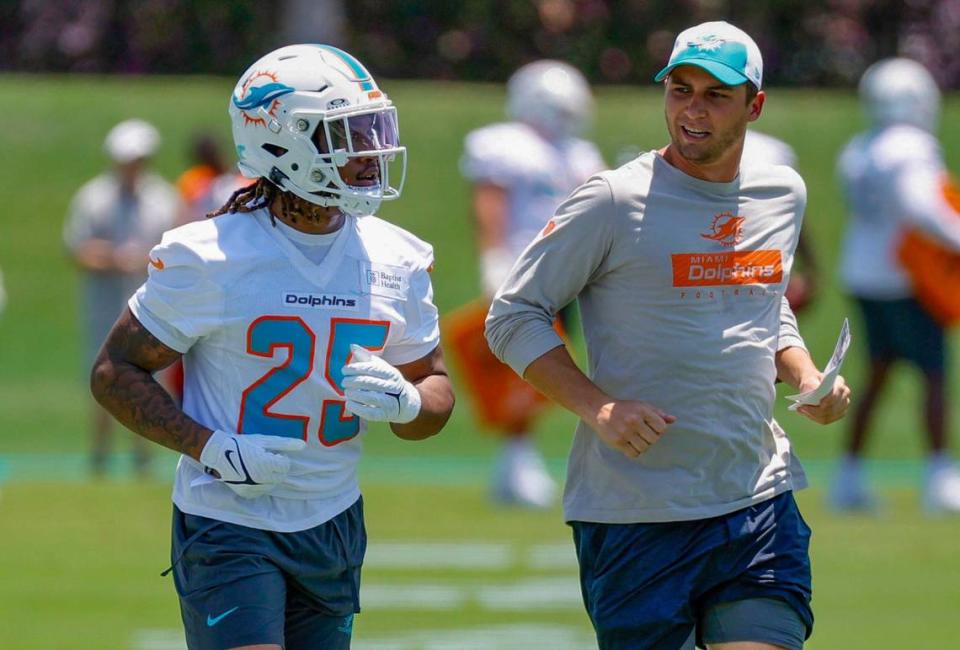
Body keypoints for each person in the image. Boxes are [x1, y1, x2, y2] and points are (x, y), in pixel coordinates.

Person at [486, 21, 850, 650]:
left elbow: (762, 304)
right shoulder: (610, 199)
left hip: (755, 498)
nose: (693, 110)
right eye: (681, 90)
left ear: (754, 106)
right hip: (633, 516)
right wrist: (599, 408)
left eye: (715, 95)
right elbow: (512, 316)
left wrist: (806, 374)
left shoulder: (782, 193)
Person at [90, 44, 455, 650]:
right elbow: (113, 371)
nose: (370, 152)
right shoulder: (210, 255)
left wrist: (411, 406)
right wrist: (208, 447)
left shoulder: (398, 258)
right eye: (347, 133)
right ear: (282, 141)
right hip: (229, 519)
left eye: (372, 128)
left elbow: (436, 394)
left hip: (333, 518)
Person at [452, 60, 606, 508]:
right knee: (527, 368)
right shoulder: (505, 145)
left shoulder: (580, 153)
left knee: (556, 369)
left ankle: (520, 463)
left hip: (574, 276)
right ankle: (516, 463)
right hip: (525, 270)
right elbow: (490, 201)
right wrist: (494, 256)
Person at [833, 57, 960, 514]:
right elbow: (920, 208)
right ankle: (941, 478)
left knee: (877, 374)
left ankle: (847, 476)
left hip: (864, 273)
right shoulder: (910, 148)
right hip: (906, 278)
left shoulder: (860, 148)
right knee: (934, 375)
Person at [64, 118, 179, 477]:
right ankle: (100, 454)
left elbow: (177, 250)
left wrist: (147, 258)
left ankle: (143, 456)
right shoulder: (93, 198)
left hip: (151, 307)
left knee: (150, 377)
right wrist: (115, 257)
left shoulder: (163, 199)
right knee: (101, 373)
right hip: (103, 303)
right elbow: (76, 248)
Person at [743, 130, 820, 313]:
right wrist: (810, 268)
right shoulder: (775, 150)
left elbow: (791, 214)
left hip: (760, 263)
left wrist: (809, 269)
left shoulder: (775, 151)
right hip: (755, 263)